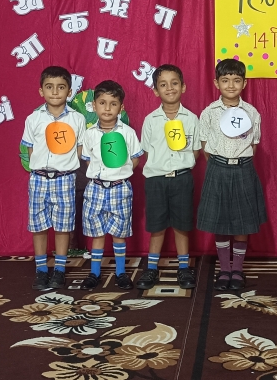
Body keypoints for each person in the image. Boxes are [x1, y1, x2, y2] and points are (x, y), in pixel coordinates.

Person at [197, 58, 267, 291]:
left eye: (236, 80)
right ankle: (224, 269)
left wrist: (238, 162)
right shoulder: (209, 113)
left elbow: (254, 145)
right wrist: (221, 164)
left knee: (241, 223)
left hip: (243, 169)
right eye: (225, 80)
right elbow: (205, 145)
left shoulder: (252, 113)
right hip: (218, 168)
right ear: (216, 83)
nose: (230, 85)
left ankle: (237, 269)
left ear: (244, 83)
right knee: (221, 221)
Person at [135, 65, 201, 290]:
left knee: (182, 224)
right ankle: (152, 268)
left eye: (174, 83)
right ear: (155, 90)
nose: (169, 88)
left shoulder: (191, 118)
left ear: (183, 87)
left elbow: (195, 150)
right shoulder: (151, 120)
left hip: (182, 178)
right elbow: (146, 150)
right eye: (163, 85)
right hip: (156, 180)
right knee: (157, 225)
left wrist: (181, 166)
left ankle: (184, 267)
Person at [21, 66, 86, 290]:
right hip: (39, 178)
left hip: (65, 178)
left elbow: (80, 149)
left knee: (62, 225)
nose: (55, 92)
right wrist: (40, 167)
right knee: (39, 225)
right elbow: (30, 148)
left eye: (61, 87)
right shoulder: (33, 118)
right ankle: (41, 270)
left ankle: (59, 269)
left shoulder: (77, 119)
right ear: (41, 91)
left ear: (70, 92)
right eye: (49, 87)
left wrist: (65, 165)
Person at [79, 80, 143, 290]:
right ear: (94, 106)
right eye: (102, 103)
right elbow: (87, 160)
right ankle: (94, 273)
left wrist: (120, 173)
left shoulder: (128, 133)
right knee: (97, 233)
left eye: (113, 103)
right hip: (95, 188)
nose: (107, 108)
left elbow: (135, 158)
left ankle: (121, 273)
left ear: (121, 107)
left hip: (119, 188)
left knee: (119, 233)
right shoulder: (89, 134)